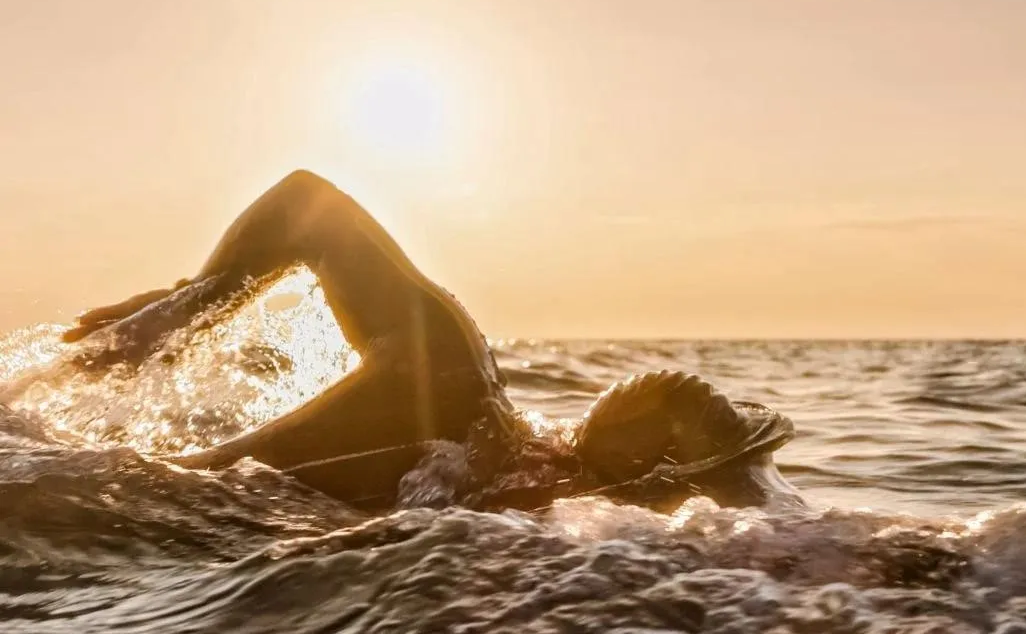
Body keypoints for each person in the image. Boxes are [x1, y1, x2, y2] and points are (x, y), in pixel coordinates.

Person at [63, 170, 799, 511]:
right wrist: (187, 308)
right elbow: (307, 201)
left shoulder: (460, 408)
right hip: (115, 509)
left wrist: (198, 299)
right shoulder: (452, 387)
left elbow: (307, 205)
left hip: (108, 510)